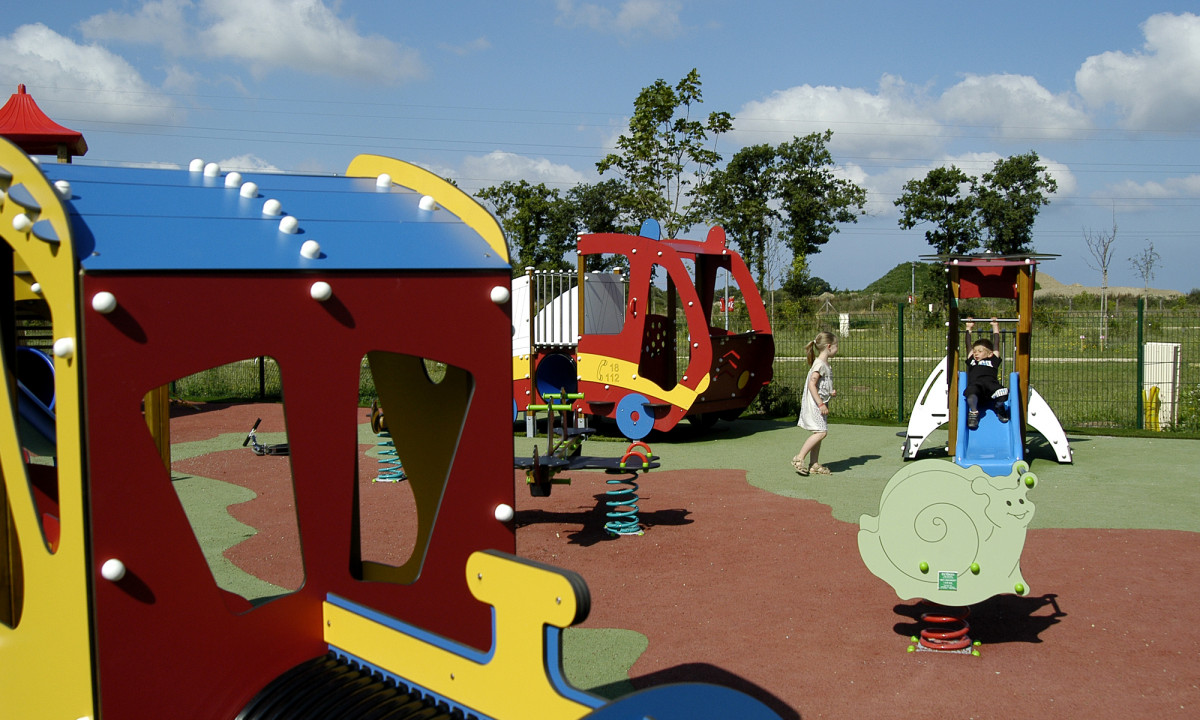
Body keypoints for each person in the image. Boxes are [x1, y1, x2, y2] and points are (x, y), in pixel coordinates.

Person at [792, 332, 837, 476]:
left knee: (819, 431)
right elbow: (812, 384)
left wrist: (830, 392)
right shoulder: (819, 364)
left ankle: (814, 464)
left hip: (821, 403)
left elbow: (821, 384)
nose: (837, 349)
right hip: (816, 404)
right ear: (829, 347)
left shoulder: (824, 364)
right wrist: (820, 404)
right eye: (836, 346)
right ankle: (799, 458)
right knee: (821, 432)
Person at [963, 317, 1009, 430]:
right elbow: (968, 344)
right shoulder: (972, 361)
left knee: (1002, 392)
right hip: (977, 387)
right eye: (974, 351)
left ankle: (999, 406)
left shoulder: (992, 360)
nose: (976, 354)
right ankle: (973, 412)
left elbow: (996, 343)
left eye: (980, 351)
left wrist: (995, 326)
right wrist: (968, 328)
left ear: (989, 354)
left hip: (990, 387)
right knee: (970, 391)